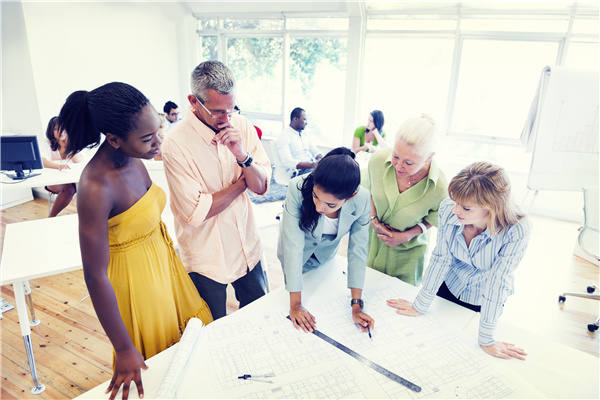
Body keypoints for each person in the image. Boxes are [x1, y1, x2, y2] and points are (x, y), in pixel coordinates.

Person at [58, 82, 213, 400]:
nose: (159, 141)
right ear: (113, 139)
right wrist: (123, 346)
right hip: (138, 285)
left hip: (165, 268)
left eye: (158, 130)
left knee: (188, 354)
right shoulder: (96, 186)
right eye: (147, 138)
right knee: (160, 371)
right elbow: (94, 275)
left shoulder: (134, 156)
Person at [387, 161, 531, 361]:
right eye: (455, 202)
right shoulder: (448, 210)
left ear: (492, 207)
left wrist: (486, 339)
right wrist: (420, 305)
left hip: (483, 297)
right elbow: (441, 259)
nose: (455, 210)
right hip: (450, 285)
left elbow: (497, 281)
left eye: (465, 207)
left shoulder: (517, 229)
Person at [162, 60, 271, 320]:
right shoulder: (175, 144)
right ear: (193, 101)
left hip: (247, 245)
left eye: (231, 109)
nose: (226, 119)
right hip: (205, 256)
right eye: (217, 111)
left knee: (259, 317)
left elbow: (262, 186)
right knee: (211, 329)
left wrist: (243, 158)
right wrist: (242, 181)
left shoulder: (242, 125)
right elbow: (198, 211)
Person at [278, 147, 374, 334]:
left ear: (350, 196)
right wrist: (296, 305)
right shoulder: (297, 187)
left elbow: (357, 250)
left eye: (331, 205)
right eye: (315, 196)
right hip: (296, 256)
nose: (320, 207)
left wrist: (356, 305)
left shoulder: (362, 199)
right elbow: (293, 245)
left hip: (325, 259)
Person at [362, 114, 448, 286]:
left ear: (429, 157)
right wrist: (373, 219)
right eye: (395, 156)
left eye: (409, 163)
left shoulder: (439, 187)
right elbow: (368, 190)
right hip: (372, 244)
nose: (398, 166)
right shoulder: (378, 161)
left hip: (408, 254)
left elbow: (433, 219)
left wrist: (406, 236)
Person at [41, 116, 83, 217]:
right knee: (69, 189)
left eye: (64, 128)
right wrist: (58, 166)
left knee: (86, 186)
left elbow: (76, 159)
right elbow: (42, 161)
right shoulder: (47, 142)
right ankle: (51, 217)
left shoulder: (73, 141)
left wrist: (70, 145)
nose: (61, 131)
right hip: (53, 180)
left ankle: (85, 218)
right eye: (56, 129)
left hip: (70, 179)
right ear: (51, 130)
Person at [276, 107, 323, 178]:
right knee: (327, 175)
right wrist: (313, 165)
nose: (306, 122)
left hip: (311, 167)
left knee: (334, 170)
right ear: (295, 119)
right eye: (304, 119)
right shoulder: (284, 136)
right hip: (300, 171)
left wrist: (320, 158)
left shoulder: (304, 134)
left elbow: (315, 150)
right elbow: (287, 161)